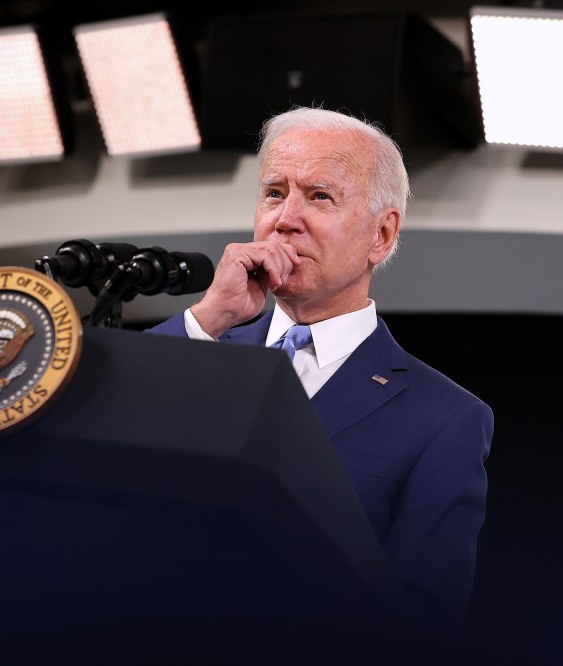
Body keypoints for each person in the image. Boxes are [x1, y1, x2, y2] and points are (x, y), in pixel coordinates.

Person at [147, 106, 493, 627]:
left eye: (320, 196)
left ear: (382, 235)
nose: (285, 219)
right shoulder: (201, 349)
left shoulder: (444, 420)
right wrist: (208, 318)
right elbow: (107, 422)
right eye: (273, 193)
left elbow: (426, 624)